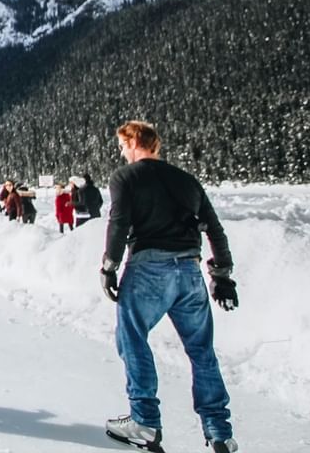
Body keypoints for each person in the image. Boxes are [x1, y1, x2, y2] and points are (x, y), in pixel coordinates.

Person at [100, 120, 239, 453]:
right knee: (202, 350)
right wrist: (222, 275)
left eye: (122, 145)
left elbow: (118, 222)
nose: (121, 152)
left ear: (134, 142)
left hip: (148, 268)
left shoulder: (126, 177)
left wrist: (109, 267)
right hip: (189, 272)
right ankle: (219, 431)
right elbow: (214, 229)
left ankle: (145, 422)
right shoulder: (186, 180)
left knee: (132, 339)